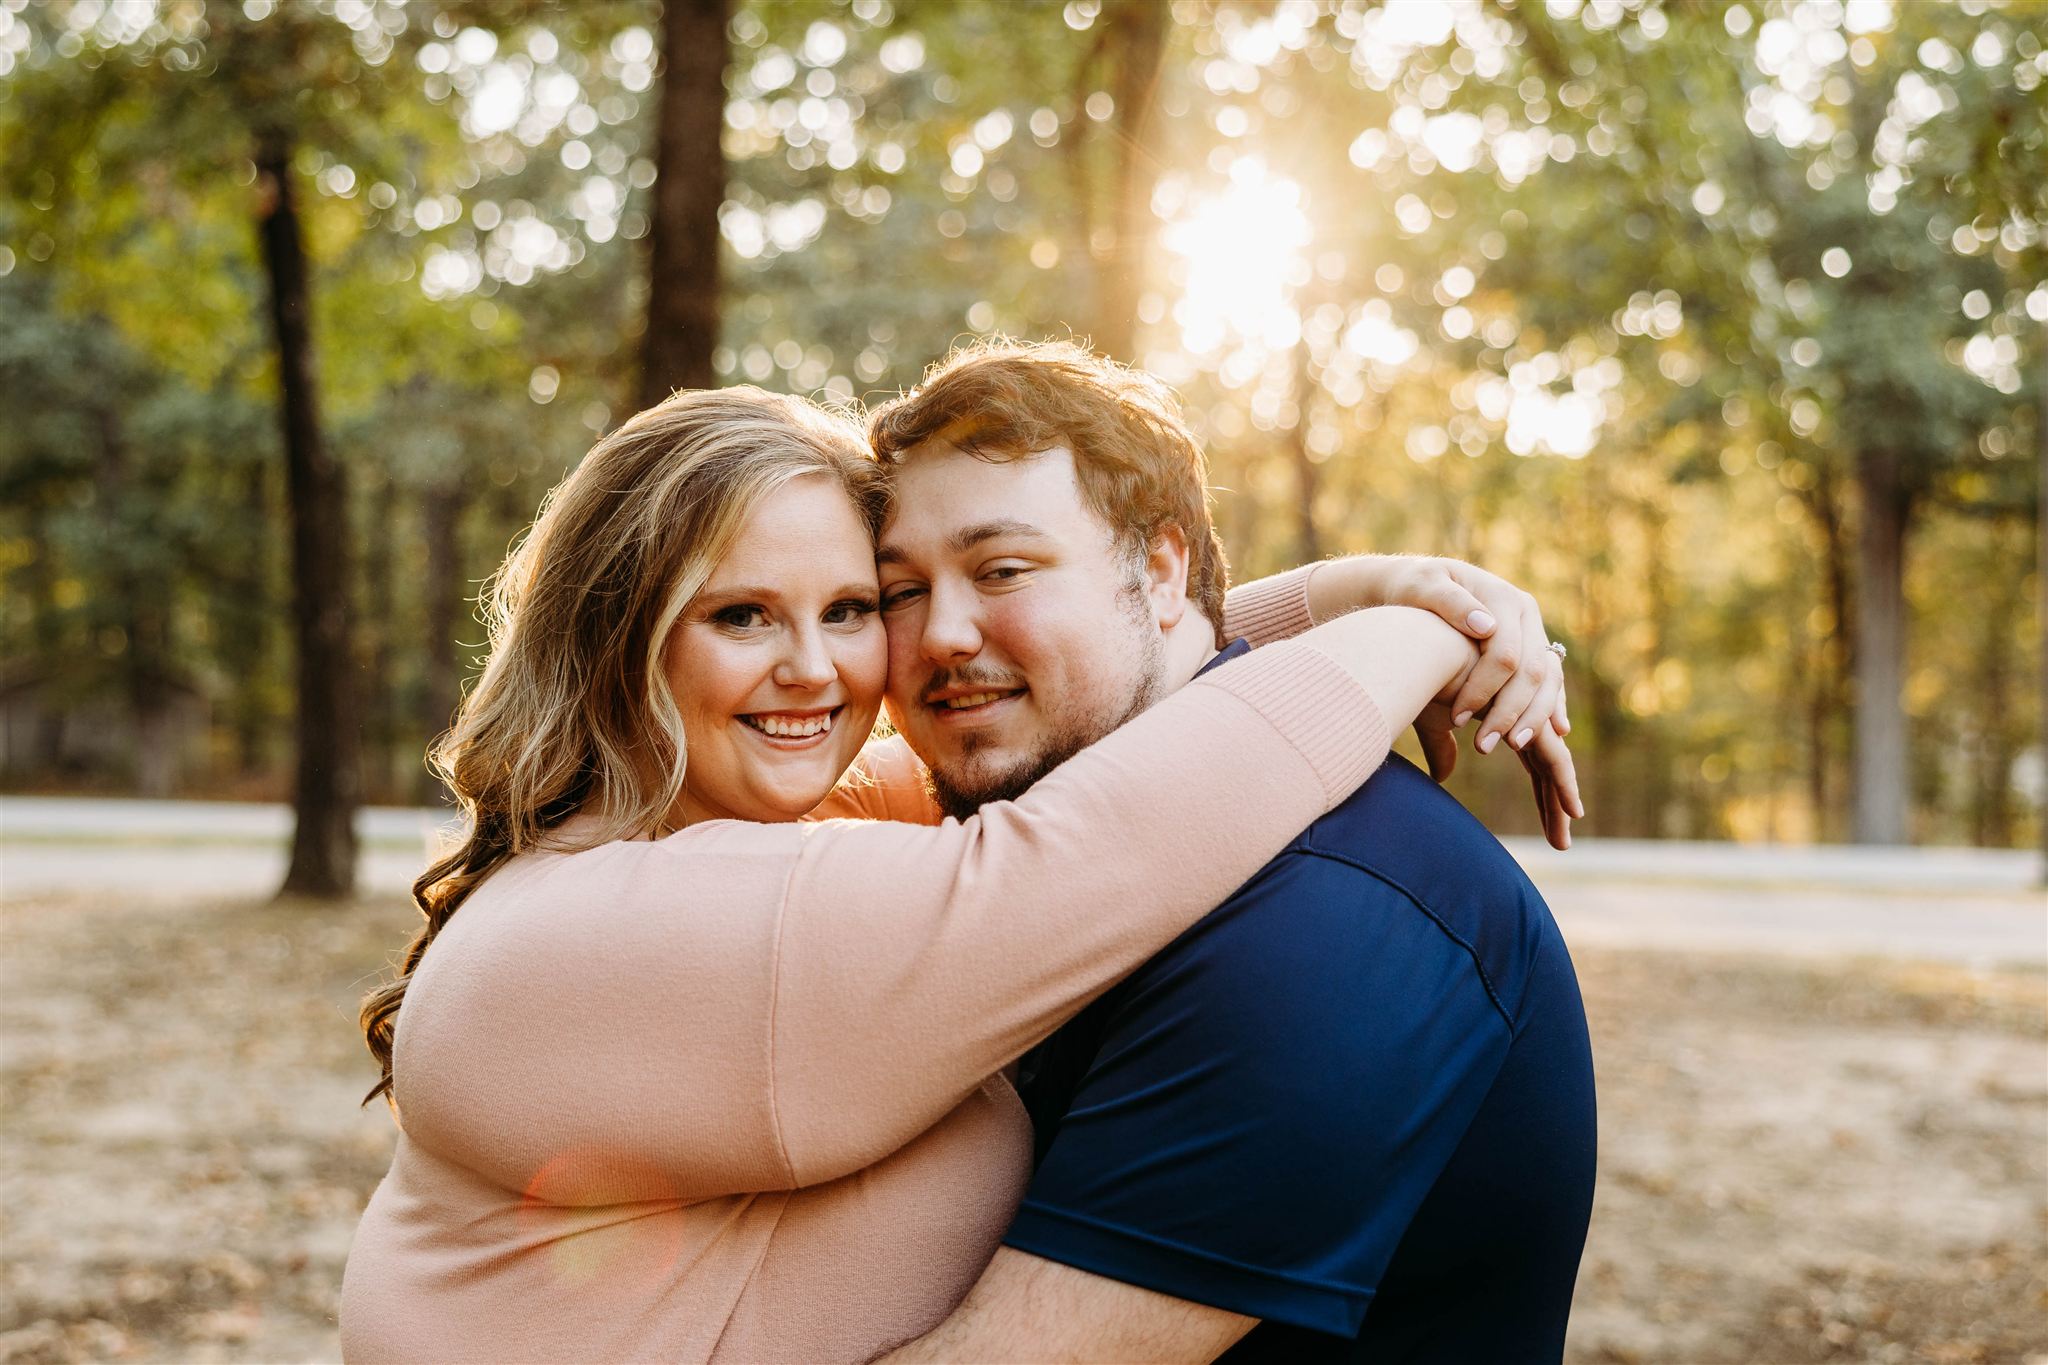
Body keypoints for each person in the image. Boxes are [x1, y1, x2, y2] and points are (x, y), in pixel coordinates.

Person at [339, 384, 1574, 1364]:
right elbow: (1078, 847)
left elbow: (1077, 696)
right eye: (740, 616)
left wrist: (1341, 591)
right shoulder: (624, 930)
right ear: (617, 640)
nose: (820, 671)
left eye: (849, 607)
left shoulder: (727, 823)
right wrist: (1410, 630)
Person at [862, 341, 1597, 1364]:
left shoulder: (1325, 920)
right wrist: (1366, 590)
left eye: (1003, 570)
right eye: (897, 591)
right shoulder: (1076, 838)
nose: (940, 634)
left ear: (1159, 570)